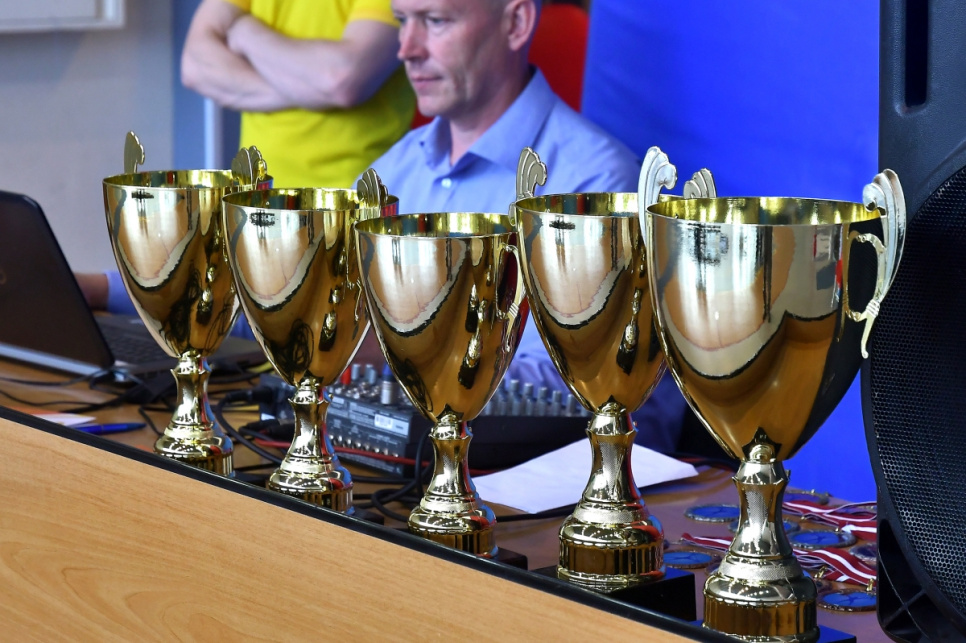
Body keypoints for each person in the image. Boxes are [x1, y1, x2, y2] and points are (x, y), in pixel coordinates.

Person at [360, 0, 688, 453]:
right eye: (402, 21)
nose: (407, 49)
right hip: (403, 466)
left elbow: (581, 387)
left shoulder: (597, 183)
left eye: (435, 21)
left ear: (515, 23)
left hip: (550, 481)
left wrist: (390, 353)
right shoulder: (390, 173)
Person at [79, 0, 415, 314]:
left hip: (352, 219)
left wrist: (244, 31)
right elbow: (195, 66)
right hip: (257, 215)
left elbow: (341, 79)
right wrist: (308, 89)